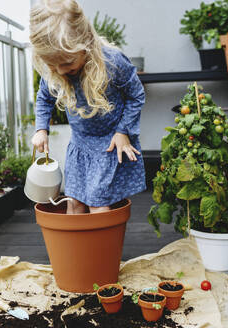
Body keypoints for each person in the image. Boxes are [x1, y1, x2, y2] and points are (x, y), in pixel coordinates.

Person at [30, 0, 145, 214]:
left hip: (109, 144)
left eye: (67, 63)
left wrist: (123, 132)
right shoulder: (56, 70)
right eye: (53, 65)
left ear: (86, 42)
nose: (60, 71)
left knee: (97, 202)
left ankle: (101, 247)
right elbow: (44, 97)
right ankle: (76, 247)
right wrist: (41, 129)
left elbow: (136, 95)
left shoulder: (112, 62)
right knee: (74, 202)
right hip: (80, 145)